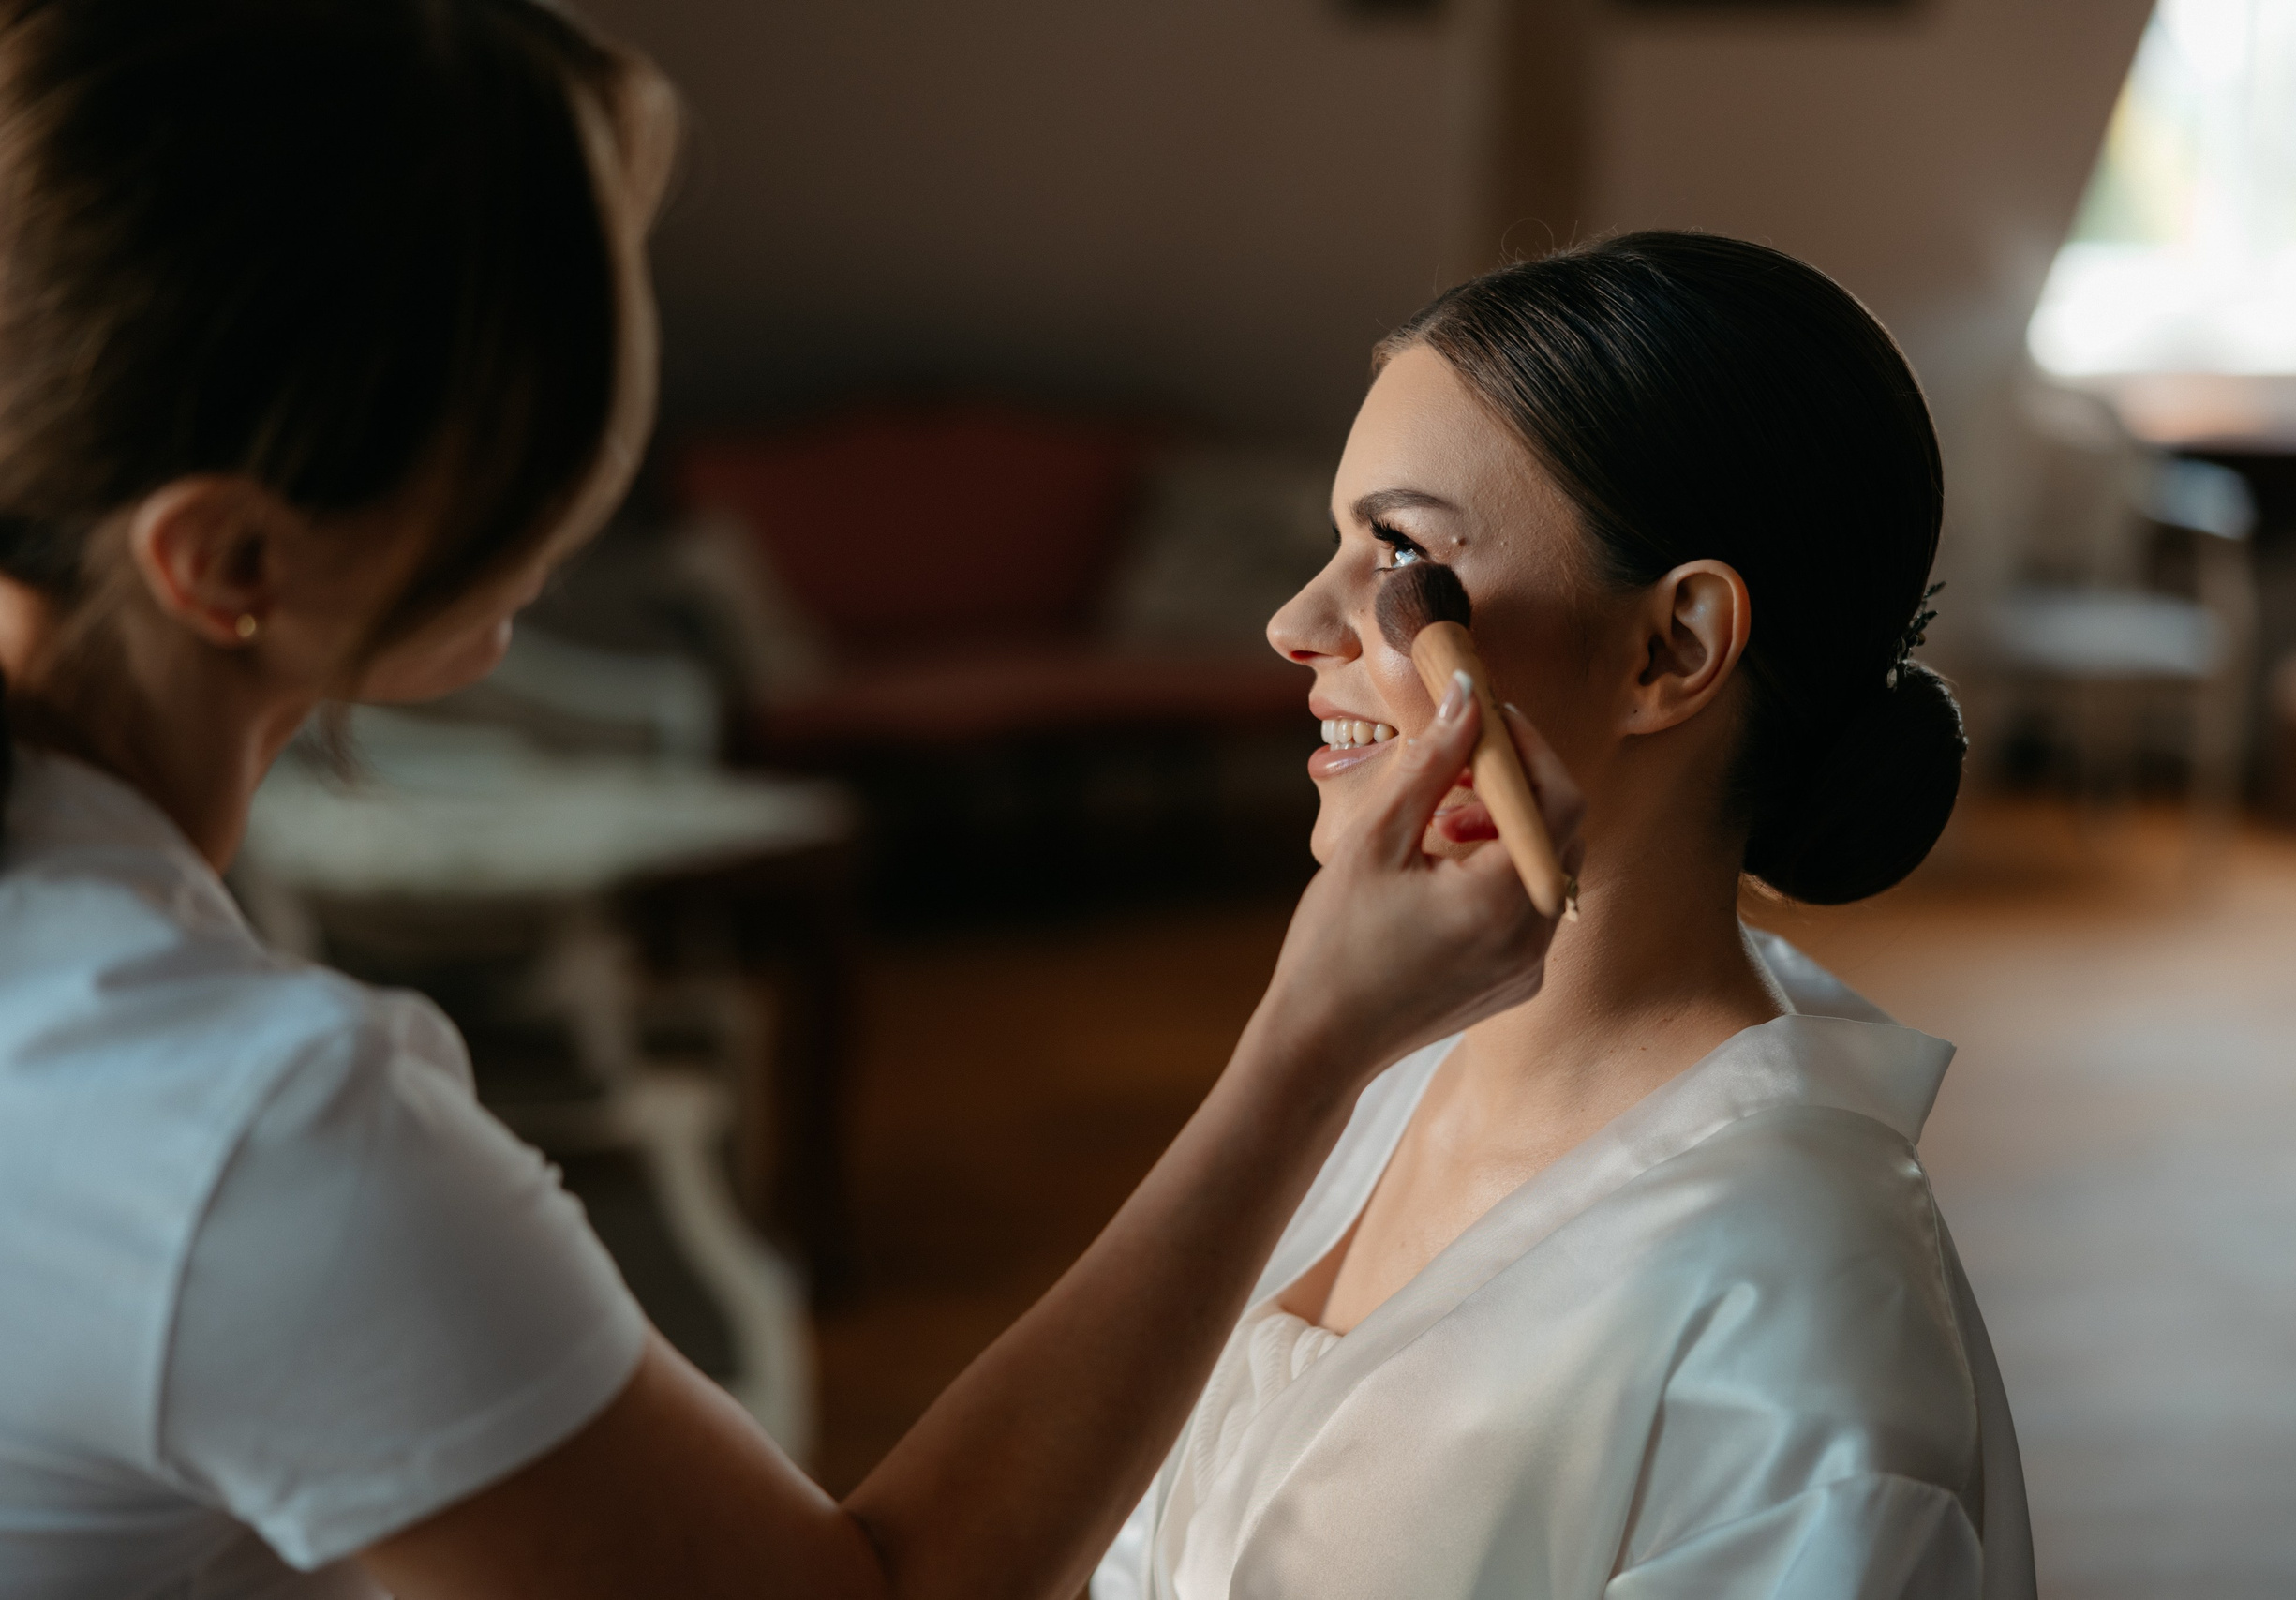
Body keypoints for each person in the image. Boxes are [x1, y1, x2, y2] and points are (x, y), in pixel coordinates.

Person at [0, 5, 1588, 1598]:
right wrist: (1306, 1045)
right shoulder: (244, 1138)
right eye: (541, 394)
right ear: (230, 558)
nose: (595, 465)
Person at [1094, 232, 2035, 1600]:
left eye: (1399, 550)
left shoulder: (1798, 1329)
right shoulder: (1388, 1080)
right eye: (1337, 541)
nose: (1295, 623)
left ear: (1672, 647)